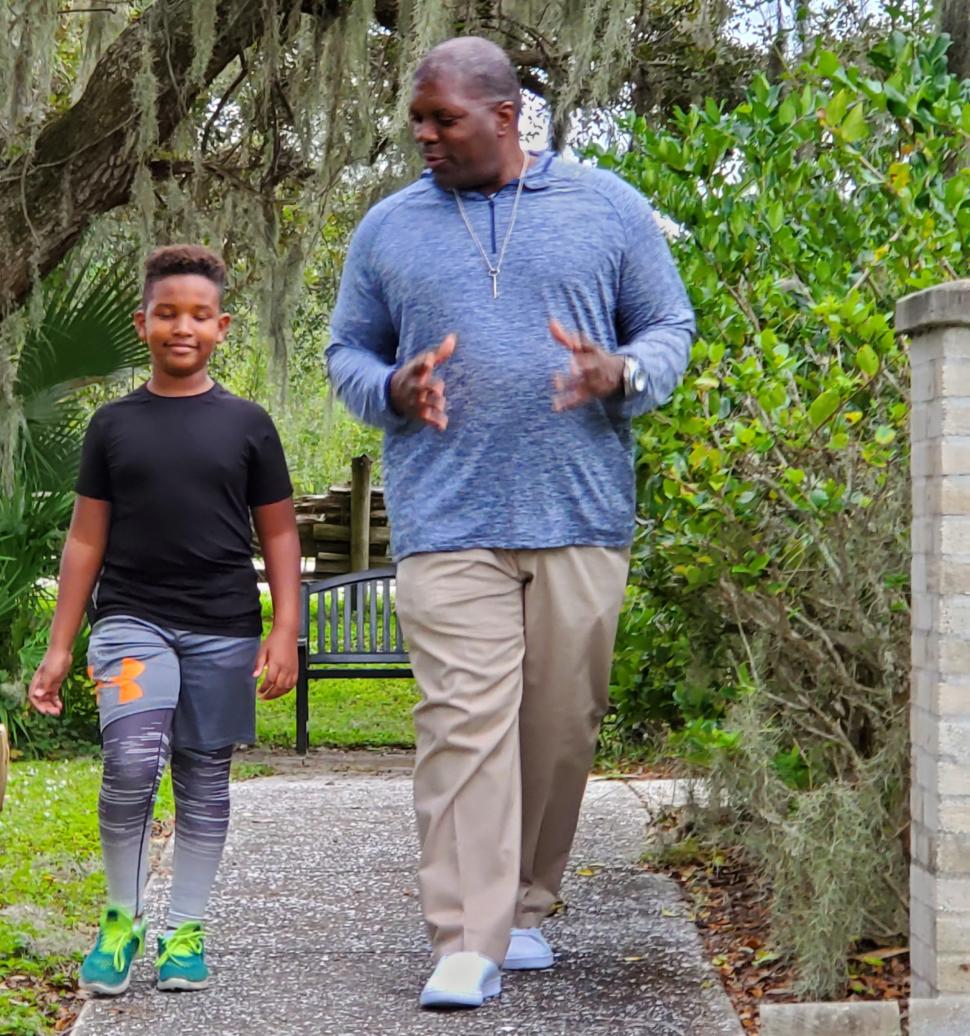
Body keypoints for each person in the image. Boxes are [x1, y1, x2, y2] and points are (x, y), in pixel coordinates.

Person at [326, 37, 695, 1009]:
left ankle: (524, 902)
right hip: (446, 517)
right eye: (417, 117)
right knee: (461, 722)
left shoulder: (606, 208)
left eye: (442, 118)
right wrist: (392, 389)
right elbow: (345, 355)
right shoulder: (389, 229)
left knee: (560, 724)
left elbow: (670, 325)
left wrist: (623, 371)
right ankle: (463, 935)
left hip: (581, 511)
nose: (424, 134)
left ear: (503, 116)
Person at [28, 244, 301, 996]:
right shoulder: (113, 426)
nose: (183, 327)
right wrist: (59, 646)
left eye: (200, 316)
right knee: (130, 764)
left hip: (223, 625)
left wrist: (285, 631)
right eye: (168, 314)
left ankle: (184, 930)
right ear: (142, 321)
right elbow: (85, 538)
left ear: (222, 326)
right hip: (132, 621)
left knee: (204, 777)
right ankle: (121, 920)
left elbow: (278, 532)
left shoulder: (248, 423)